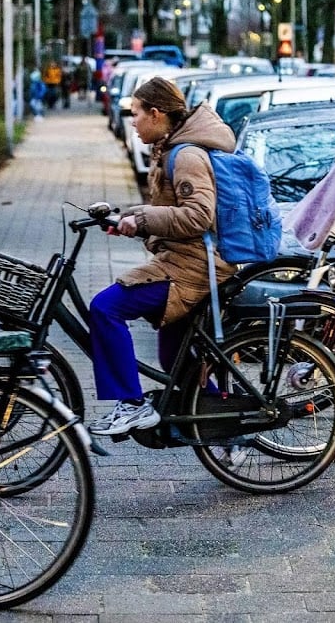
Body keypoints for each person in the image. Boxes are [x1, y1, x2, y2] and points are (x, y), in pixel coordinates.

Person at [87, 77, 236, 436]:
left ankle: (131, 404)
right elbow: (171, 212)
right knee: (175, 361)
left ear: (156, 113)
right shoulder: (172, 149)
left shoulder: (187, 155)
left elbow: (199, 216)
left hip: (194, 268)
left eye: (136, 114)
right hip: (183, 262)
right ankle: (231, 428)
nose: (133, 121)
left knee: (106, 307)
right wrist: (132, 219)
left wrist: (142, 219)